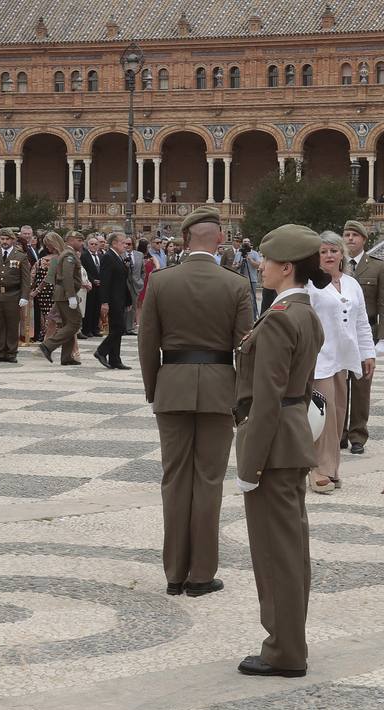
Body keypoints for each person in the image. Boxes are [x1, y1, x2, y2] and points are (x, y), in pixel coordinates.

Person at [138, 206, 254, 597]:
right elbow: (246, 347)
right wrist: (243, 397)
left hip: (172, 384)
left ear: (185, 239)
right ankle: (201, 574)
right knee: (209, 481)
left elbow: (146, 340)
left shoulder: (161, 281)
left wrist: (155, 387)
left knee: (174, 481)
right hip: (220, 388)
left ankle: (174, 574)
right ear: (219, 239)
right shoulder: (235, 284)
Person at [234, 223, 325, 678]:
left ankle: (284, 650)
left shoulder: (280, 318)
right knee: (291, 549)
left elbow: (267, 397)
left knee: (276, 553)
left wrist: (249, 464)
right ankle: (289, 640)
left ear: (286, 267)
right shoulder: (305, 313)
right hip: (292, 440)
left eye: (267, 261)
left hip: (272, 446)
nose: (261, 266)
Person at [308, 231, 375, 494]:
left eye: (333, 251)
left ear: (341, 254)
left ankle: (332, 467)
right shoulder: (310, 284)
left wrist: (367, 353)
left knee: (338, 413)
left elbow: (361, 322)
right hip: (319, 357)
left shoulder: (351, 283)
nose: (328, 255)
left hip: (344, 357)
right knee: (323, 415)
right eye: (323, 251)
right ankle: (318, 469)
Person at [339, 219, 384, 454]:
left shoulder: (377, 267)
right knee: (339, 385)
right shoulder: (335, 264)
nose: (350, 238)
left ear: (364, 240)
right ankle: (338, 432)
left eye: (355, 235)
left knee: (361, 386)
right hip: (340, 334)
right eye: (347, 234)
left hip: (365, 333)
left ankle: (357, 434)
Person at [0, 228, 30, 363]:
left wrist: (24, 296)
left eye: (7, 239)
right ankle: (0, 351)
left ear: (13, 240)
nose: (4, 242)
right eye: (2, 239)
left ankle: (11, 352)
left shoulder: (20, 256)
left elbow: (25, 279)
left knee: (12, 324)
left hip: (13, 294)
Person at [37, 231, 81, 365]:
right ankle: (48, 345)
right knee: (74, 324)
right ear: (71, 240)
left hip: (62, 294)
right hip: (66, 295)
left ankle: (67, 357)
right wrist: (72, 296)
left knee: (68, 324)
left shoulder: (65, 254)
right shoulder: (68, 255)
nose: (81, 243)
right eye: (79, 240)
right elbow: (67, 276)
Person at [94, 231, 133, 370]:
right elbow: (105, 281)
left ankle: (115, 359)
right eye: (123, 243)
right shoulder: (108, 257)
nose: (125, 246)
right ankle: (101, 351)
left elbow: (122, 281)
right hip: (112, 299)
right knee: (120, 328)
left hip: (120, 298)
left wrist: (128, 300)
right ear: (115, 243)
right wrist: (104, 302)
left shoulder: (118, 257)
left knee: (117, 328)